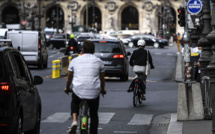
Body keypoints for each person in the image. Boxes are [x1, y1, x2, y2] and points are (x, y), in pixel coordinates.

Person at [65, 40, 106, 134]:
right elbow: (102, 80)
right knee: (94, 114)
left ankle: (74, 120)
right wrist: (102, 89)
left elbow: (69, 79)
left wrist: (67, 88)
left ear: (82, 50)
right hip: (94, 92)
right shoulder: (99, 61)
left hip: (78, 90)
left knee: (75, 102)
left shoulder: (75, 61)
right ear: (93, 50)